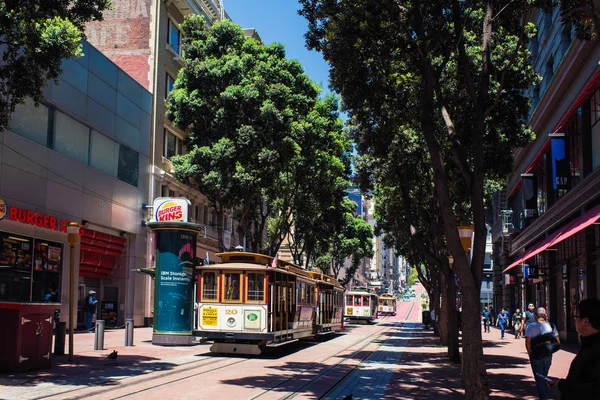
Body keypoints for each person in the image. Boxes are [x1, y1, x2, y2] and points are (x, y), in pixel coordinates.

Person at [549, 298, 600, 399]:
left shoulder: (594, 350)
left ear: (586, 321)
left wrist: (563, 386)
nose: (574, 320)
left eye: (576, 316)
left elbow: (591, 390)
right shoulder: (588, 345)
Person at [525, 307, 559, 400]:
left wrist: (529, 354)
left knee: (539, 378)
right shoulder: (552, 326)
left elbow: (528, 342)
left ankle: (543, 397)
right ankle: (544, 394)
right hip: (547, 355)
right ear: (545, 316)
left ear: (535, 315)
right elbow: (558, 342)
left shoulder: (530, 326)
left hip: (536, 356)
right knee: (544, 376)